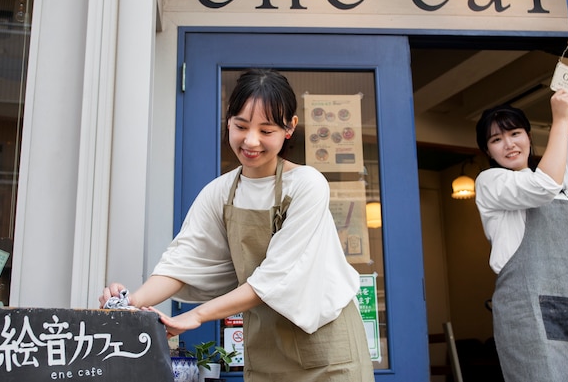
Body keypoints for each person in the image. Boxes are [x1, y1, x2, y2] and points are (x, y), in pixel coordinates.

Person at [99, 69, 375, 382]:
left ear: (289, 128)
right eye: (241, 126)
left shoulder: (307, 185)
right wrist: (128, 304)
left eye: (266, 130)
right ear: (228, 122)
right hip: (266, 344)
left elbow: (276, 276)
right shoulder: (219, 192)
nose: (251, 140)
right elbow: (181, 261)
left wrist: (196, 316)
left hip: (328, 346)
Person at [474, 88, 568, 382]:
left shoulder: (556, 179)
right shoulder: (490, 182)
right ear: (487, 151)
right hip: (527, 314)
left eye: (515, 133)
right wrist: (559, 119)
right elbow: (543, 186)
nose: (508, 144)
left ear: (529, 137)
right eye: (496, 140)